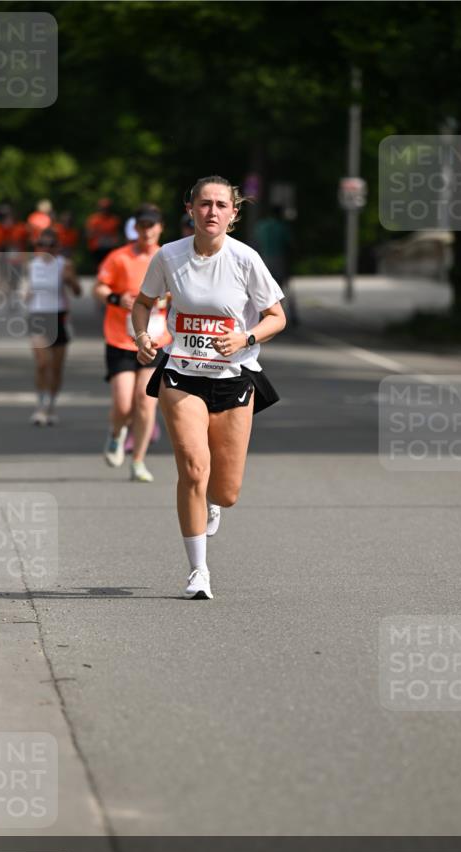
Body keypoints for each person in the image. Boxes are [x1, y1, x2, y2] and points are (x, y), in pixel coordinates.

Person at [133, 175, 286, 599]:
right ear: (190, 208)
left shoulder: (245, 259)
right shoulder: (169, 256)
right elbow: (144, 303)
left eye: (221, 205)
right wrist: (143, 336)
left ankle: (213, 502)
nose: (212, 211)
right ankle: (198, 571)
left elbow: (276, 316)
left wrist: (245, 338)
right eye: (204, 204)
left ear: (233, 214)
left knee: (226, 491)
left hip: (233, 378)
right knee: (193, 469)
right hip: (182, 374)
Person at [94, 204, 170, 481]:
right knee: (124, 404)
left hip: (157, 339)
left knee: (145, 401)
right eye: (142, 226)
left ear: (160, 227)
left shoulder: (169, 257)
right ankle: (116, 434)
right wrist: (117, 299)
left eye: (152, 225)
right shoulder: (119, 257)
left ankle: (138, 461)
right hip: (121, 339)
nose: (147, 231)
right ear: (135, 228)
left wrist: (169, 297)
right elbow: (99, 288)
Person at [26, 228, 81, 426]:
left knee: (56, 368)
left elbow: (77, 292)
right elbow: (27, 290)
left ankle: (51, 406)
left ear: (58, 247)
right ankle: (40, 405)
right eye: (42, 245)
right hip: (38, 316)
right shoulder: (31, 265)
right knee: (42, 364)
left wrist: (69, 279)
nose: (46, 249)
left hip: (59, 315)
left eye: (51, 246)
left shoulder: (64, 264)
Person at [255, 204, 299, 325]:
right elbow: (290, 245)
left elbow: (256, 243)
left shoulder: (261, 226)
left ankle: (260, 316)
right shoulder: (282, 227)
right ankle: (291, 315)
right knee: (284, 288)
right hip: (279, 259)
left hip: (264, 259)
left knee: (262, 288)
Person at [86, 197, 121, 270]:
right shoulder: (94, 220)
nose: (105, 210)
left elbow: (116, 235)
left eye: (107, 208)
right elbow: (89, 234)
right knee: (99, 266)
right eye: (103, 208)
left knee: (110, 264)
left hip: (109, 247)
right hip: (97, 248)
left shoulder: (114, 219)